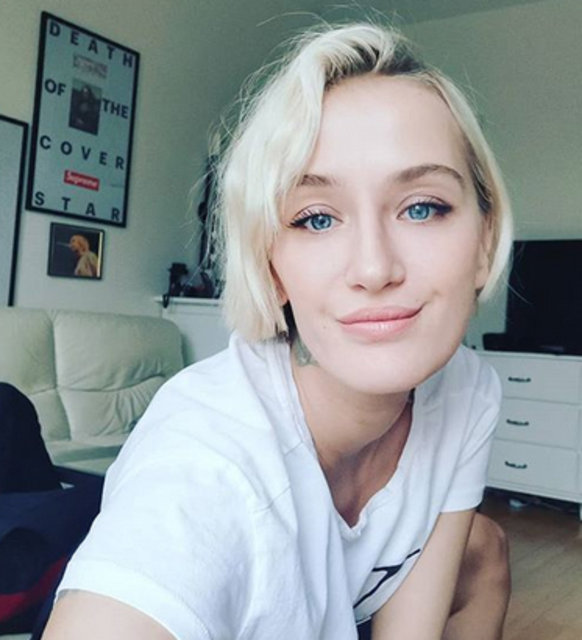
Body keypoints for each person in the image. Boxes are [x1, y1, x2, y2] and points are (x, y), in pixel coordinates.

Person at [42, 21, 512, 640]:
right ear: (271, 267)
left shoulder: (468, 390)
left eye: (422, 207)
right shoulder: (209, 467)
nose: (374, 268)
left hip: (354, 594)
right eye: (316, 218)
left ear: (484, 242)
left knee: (486, 546)